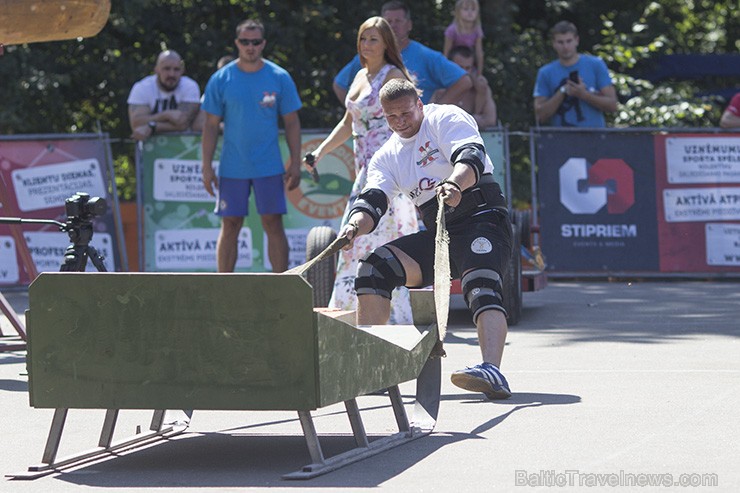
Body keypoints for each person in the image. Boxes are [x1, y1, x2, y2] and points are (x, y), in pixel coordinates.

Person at [331, 78, 514, 400]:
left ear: (419, 103)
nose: (400, 123)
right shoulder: (386, 155)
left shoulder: (445, 117)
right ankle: (374, 367)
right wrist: (353, 227)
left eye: (406, 113)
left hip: (483, 220)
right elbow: (373, 199)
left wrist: (455, 185)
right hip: (440, 236)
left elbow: (470, 155)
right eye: (392, 117)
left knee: (481, 286)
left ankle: (492, 371)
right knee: (374, 268)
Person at [304, 17, 419, 324]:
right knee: (355, 240)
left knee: (390, 240)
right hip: (363, 172)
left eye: (374, 39)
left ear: (387, 44)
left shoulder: (392, 75)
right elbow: (348, 123)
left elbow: (411, 116)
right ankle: (354, 311)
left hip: (388, 172)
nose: (367, 45)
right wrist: (320, 152)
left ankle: (401, 315)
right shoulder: (358, 76)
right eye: (363, 39)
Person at [200, 19, 302, 273]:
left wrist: (296, 162)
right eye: (245, 41)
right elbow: (210, 125)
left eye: (255, 42)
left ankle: (281, 285)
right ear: (237, 43)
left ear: (263, 43)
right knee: (230, 224)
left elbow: (292, 122)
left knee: (273, 223)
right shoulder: (221, 79)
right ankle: (224, 287)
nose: (250, 46)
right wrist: (206, 166)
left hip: (268, 166)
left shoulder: (279, 77)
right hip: (232, 167)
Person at [332, 1, 472, 106]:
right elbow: (339, 84)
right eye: (388, 22)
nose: (393, 25)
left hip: (413, 135)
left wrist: (432, 113)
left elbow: (464, 81)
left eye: (398, 21)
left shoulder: (426, 56)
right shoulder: (368, 55)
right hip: (374, 138)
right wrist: (358, 114)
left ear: (409, 24)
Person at [533, 21, 617, 127]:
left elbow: (612, 105)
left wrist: (583, 94)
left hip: (595, 138)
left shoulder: (596, 65)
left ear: (576, 40)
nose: (565, 47)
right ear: (554, 44)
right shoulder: (545, 73)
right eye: (560, 42)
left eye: (569, 41)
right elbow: (540, 116)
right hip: (560, 139)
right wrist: (563, 91)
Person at [127, 50, 201, 141]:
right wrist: (166, 115)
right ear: (156, 69)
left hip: (184, 147)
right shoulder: (142, 88)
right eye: (166, 69)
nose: (171, 74)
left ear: (182, 71)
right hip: (150, 149)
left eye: (176, 69)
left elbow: (183, 123)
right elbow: (137, 124)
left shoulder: (190, 86)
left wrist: (152, 126)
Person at [432, 46, 497, 128]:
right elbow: (430, 119)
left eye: (468, 68)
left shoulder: (482, 89)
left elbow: (490, 120)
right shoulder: (438, 89)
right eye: (459, 67)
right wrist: (473, 119)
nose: (464, 72)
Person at [191, 55, 235, 132]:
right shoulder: (211, 95)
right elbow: (198, 124)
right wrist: (222, 127)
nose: (227, 80)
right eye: (223, 75)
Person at [442, 0, 484, 75]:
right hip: (454, 65)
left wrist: (479, 74)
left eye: (473, 9)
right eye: (466, 9)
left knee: (482, 85)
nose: (470, 12)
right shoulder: (452, 30)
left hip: (469, 65)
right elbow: (446, 52)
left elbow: (479, 53)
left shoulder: (477, 30)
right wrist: (445, 70)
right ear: (458, 11)